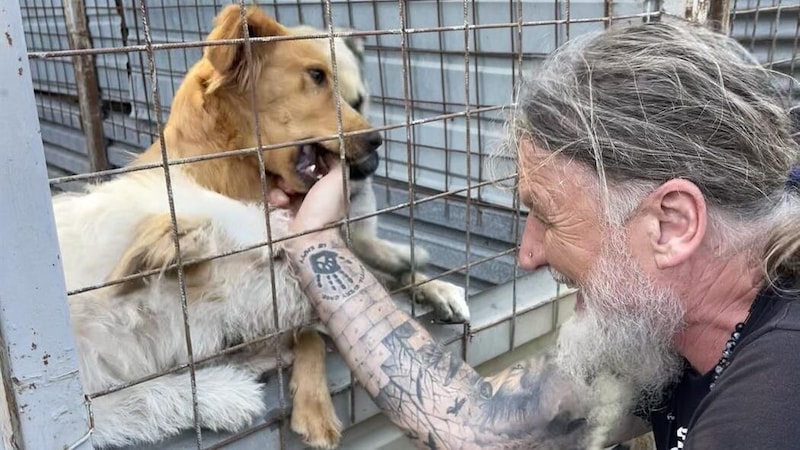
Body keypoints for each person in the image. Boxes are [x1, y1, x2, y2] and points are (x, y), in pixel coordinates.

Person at [276, 19, 800, 450]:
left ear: (671, 224)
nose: (527, 254)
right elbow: (484, 425)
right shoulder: (666, 314)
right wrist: (315, 242)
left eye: (547, 216)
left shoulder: (769, 412)